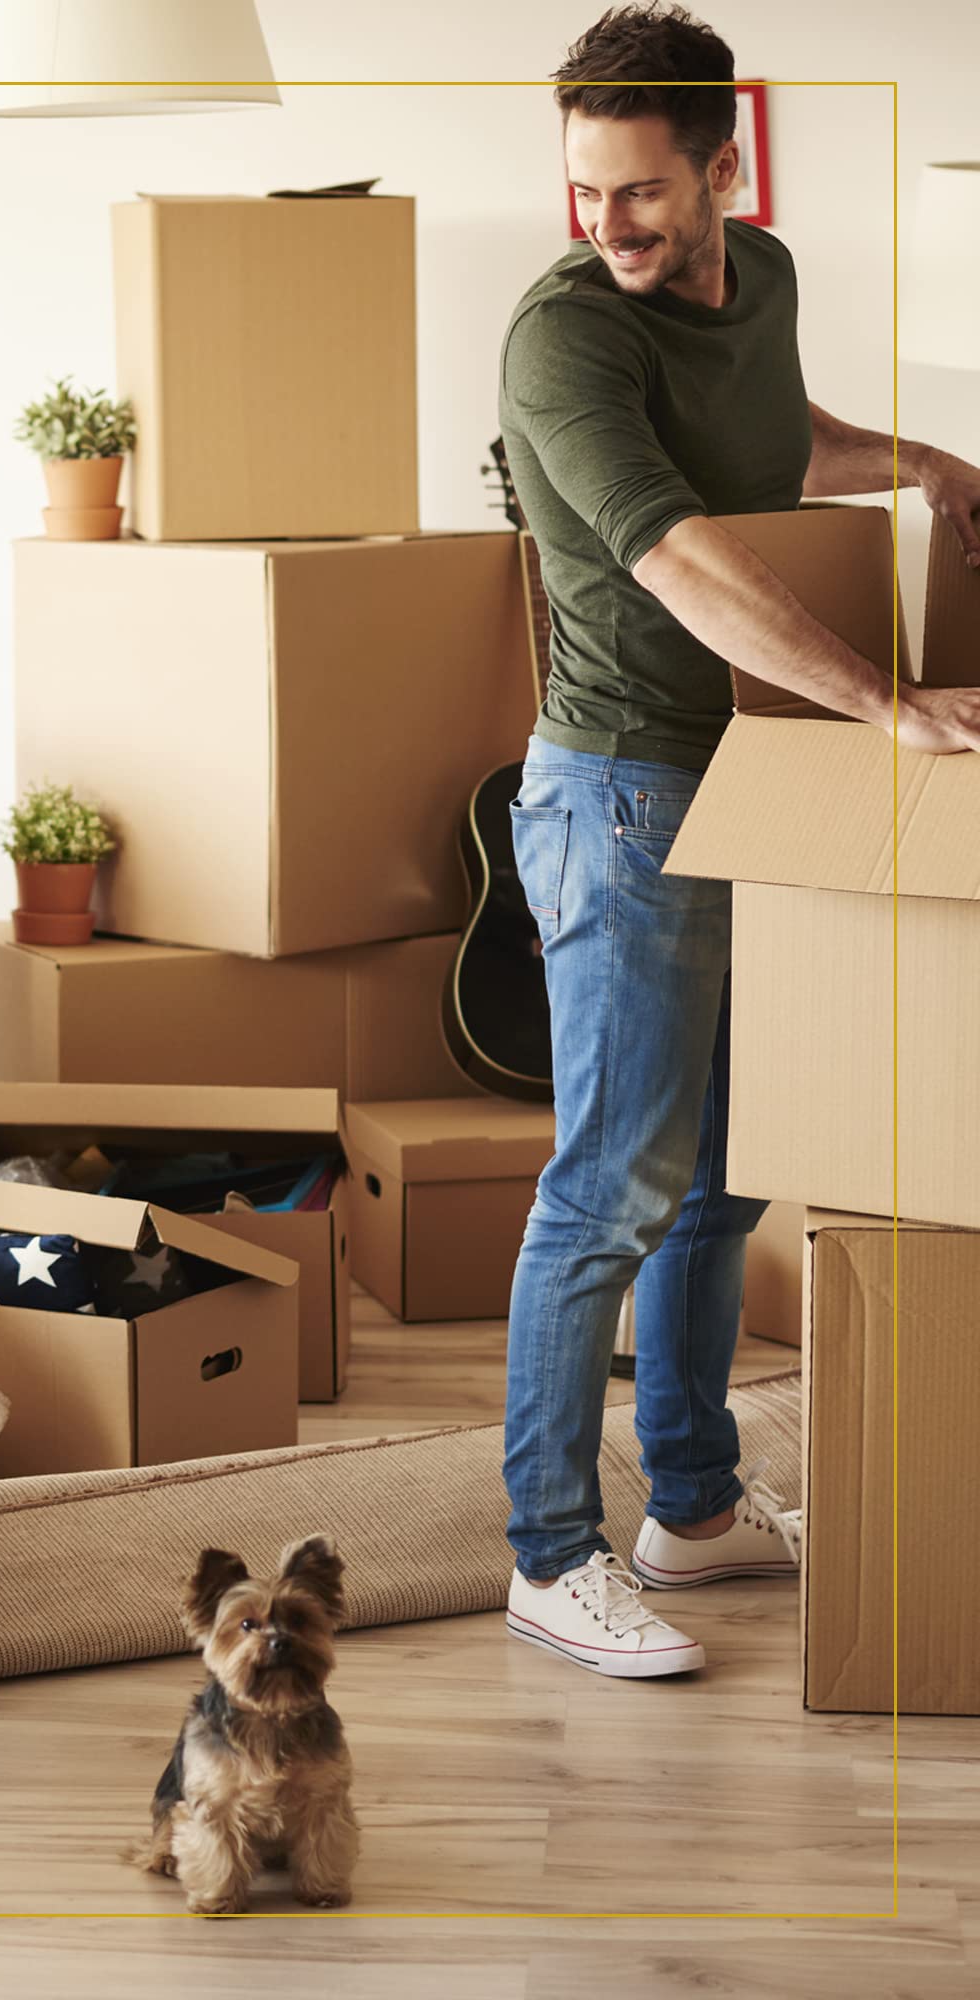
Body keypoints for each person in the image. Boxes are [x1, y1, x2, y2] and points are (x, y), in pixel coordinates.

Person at [497, 3, 980, 1677]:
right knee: (610, 1187)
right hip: (622, 791)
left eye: (639, 191)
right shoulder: (564, 337)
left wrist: (913, 460)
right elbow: (683, 551)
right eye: (586, 191)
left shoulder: (758, 275)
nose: (608, 225)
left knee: (723, 1177)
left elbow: (772, 438)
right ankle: (548, 1556)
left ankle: (690, 1508)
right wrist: (885, 704)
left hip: (751, 772)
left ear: (724, 172)